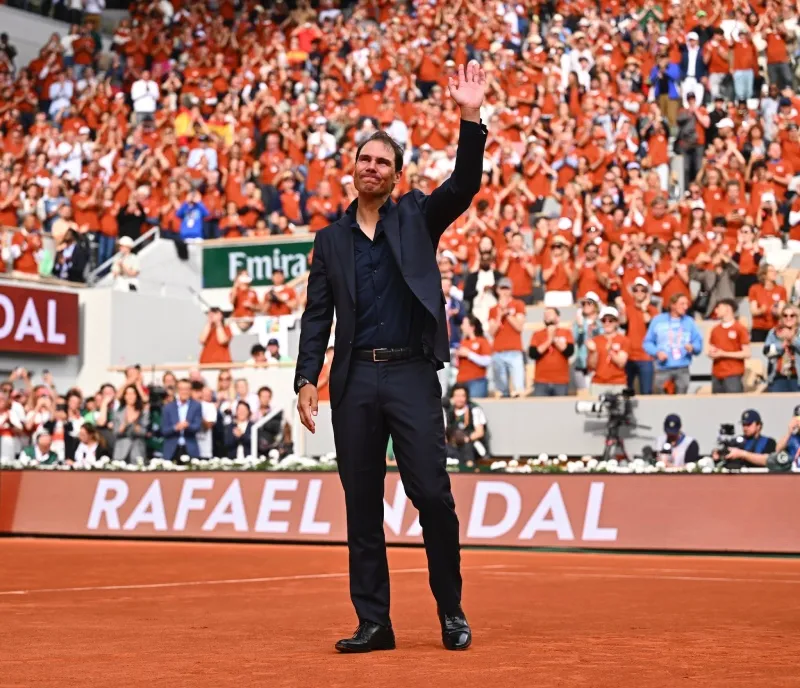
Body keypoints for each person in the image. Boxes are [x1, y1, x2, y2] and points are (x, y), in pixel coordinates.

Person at [295, 61, 487, 654]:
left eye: (383, 161)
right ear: (351, 171)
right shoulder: (329, 241)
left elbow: (466, 183)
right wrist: (307, 378)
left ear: (398, 176)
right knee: (360, 505)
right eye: (364, 160)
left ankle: (451, 609)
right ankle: (374, 623)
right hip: (353, 382)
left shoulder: (417, 216)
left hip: (409, 373)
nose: (371, 168)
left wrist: (470, 116)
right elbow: (316, 314)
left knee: (431, 493)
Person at [643, 294, 703, 394]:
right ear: (672, 305)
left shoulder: (689, 322)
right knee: (661, 402)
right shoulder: (658, 320)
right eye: (682, 304)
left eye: (686, 304)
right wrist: (657, 352)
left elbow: (698, 344)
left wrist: (693, 347)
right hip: (662, 369)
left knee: (681, 402)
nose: (686, 307)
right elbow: (647, 343)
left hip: (682, 369)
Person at [708, 298, 751, 394]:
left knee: (734, 404)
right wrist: (711, 353)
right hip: (716, 374)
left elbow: (747, 353)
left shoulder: (740, 328)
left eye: (718, 307)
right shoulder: (715, 330)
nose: (716, 310)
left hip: (733, 374)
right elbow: (711, 348)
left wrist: (723, 353)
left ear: (728, 308)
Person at [444, 384, 489, 468]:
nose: (459, 399)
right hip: (453, 445)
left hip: (472, 444)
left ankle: (469, 468)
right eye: (457, 396)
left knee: (467, 447)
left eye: (462, 396)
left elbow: (479, 432)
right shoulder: (448, 410)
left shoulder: (474, 409)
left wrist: (465, 439)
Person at [161, 378, 203, 461]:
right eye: (182, 389)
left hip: (190, 449)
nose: (184, 392)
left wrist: (187, 425)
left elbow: (197, 426)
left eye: (187, 389)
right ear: (177, 390)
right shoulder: (168, 407)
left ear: (190, 390)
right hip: (171, 450)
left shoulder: (196, 406)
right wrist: (175, 428)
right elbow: (163, 430)